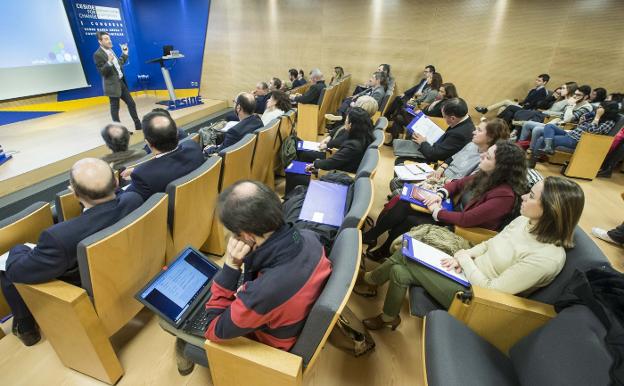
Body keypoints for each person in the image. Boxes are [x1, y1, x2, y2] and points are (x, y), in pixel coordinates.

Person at [356, 176, 584, 330]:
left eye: (531, 196)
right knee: (399, 270)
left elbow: (491, 292)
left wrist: (465, 261)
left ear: (551, 210)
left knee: (406, 254)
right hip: (466, 271)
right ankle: (388, 317)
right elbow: (490, 244)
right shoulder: (526, 221)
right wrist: (466, 255)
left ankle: (368, 282)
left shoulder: (546, 258)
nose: (523, 197)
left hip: (476, 299)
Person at [172, 180, 332, 375]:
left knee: (179, 333)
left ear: (247, 236)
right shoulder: (309, 237)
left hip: (270, 351)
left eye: (232, 233)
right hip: (287, 317)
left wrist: (231, 268)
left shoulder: (263, 293)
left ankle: (185, 360)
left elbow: (212, 329)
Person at [0, 158, 143, 346]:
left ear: (73, 193)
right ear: (116, 182)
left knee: (5, 267)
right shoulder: (134, 199)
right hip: (132, 275)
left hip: (90, 296)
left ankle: (25, 328)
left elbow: (17, 272)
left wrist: (19, 249)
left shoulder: (59, 237)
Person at [367, 140, 527, 260]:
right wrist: (440, 194)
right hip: (449, 213)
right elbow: (457, 184)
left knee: (411, 220)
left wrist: (437, 211)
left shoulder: (504, 195)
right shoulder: (486, 174)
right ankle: (373, 237)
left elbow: (466, 219)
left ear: (501, 166)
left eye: (489, 156)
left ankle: (384, 249)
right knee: (403, 203)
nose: (483, 155)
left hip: (462, 231)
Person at [122, 111, 204, 200]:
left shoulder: (143, 176)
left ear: (148, 143)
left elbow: (124, 203)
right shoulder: (193, 147)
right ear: (177, 134)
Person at [420, 118, 510, 190]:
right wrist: (440, 169)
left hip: (449, 188)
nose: (473, 132)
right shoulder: (472, 144)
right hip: (439, 177)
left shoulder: (487, 160)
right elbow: (452, 158)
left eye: (479, 130)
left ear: (490, 137)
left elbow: (465, 184)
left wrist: (441, 180)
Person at [529, 101, 620, 167]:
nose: (598, 109)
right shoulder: (593, 115)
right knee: (549, 126)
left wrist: (597, 117)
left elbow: (592, 132)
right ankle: (548, 147)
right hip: (571, 134)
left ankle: (532, 162)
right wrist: (583, 120)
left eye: (600, 107)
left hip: (577, 140)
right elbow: (580, 126)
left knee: (541, 139)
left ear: (607, 110)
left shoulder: (609, 122)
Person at [393, 98, 475, 164]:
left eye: (444, 117)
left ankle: (400, 184)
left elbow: (435, 155)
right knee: (407, 144)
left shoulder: (459, 134)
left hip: (436, 157)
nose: (444, 119)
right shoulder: (466, 121)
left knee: (400, 159)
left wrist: (423, 142)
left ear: (453, 118)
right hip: (437, 146)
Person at [93, 31, 141, 131]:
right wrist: (109, 62)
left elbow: (119, 64)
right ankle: (119, 130)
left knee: (131, 103)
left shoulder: (111, 50)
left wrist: (125, 53)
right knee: (115, 108)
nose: (109, 41)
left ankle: (138, 125)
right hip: (112, 85)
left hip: (121, 82)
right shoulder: (98, 54)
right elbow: (102, 72)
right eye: (106, 39)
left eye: (109, 38)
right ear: (100, 41)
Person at [475, 74, 550, 114]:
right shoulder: (534, 90)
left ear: (544, 82)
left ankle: (486, 110)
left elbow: (535, 104)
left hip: (527, 109)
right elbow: (527, 100)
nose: (536, 82)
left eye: (539, 81)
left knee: (506, 101)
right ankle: (497, 126)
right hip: (523, 106)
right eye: (536, 80)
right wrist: (520, 103)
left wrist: (523, 105)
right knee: (502, 108)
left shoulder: (542, 92)